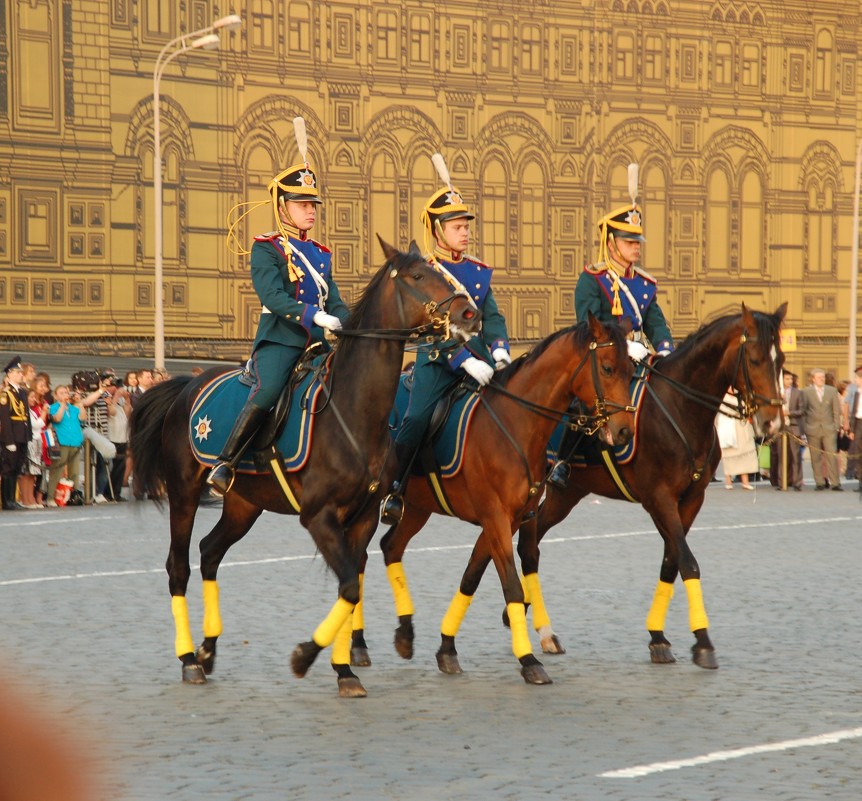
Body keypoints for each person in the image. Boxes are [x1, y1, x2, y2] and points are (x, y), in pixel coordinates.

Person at [207, 118, 350, 495]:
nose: (311, 210)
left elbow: (333, 297)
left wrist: (353, 325)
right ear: (282, 207)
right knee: (269, 390)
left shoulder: (320, 253)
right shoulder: (266, 247)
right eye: (303, 203)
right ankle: (226, 461)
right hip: (282, 340)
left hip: (320, 342)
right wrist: (313, 315)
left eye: (313, 203)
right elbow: (272, 297)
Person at [381, 153, 509, 525]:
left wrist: (499, 352)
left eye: (465, 224)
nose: (464, 231)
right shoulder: (426, 274)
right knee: (417, 418)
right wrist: (460, 359)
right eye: (456, 225)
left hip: (482, 359)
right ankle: (394, 488)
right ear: (437, 231)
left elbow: (494, 316)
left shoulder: (478, 271)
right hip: (437, 362)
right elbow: (425, 329)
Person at [549, 182, 673, 488]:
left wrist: (667, 351)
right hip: (602, 356)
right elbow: (587, 326)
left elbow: (655, 323)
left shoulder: (644, 284)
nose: (636, 246)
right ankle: (563, 461)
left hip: (638, 358)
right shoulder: (593, 279)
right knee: (582, 403)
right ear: (611, 242)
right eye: (629, 241)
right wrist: (625, 348)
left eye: (637, 241)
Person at [801, 368, 842, 491]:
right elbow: (804, 411)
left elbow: (836, 410)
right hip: (812, 428)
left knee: (831, 456)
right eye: (819, 377)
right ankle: (819, 482)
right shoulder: (806, 392)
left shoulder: (832, 391)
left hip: (829, 428)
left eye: (823, 377)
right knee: (815, 457)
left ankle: (835, 482)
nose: (822, 379)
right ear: (813, 379)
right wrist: (805, 427)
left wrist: (836, 426)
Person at [0, 358, 33, 510]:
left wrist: (28, 435)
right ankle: (7, 501)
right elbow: (5, 419)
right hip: (12, 436)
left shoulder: (22, 392)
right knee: (8, 468)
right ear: (10, 374)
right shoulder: (6, 394)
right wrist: (8, 441)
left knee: (16, 468)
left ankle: (13, 498)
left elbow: (26, 416)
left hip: (22, 435)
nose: (21, 375)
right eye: (18, 372)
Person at [46, 385, 87, 505]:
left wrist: (80, 404)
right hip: (62, 441)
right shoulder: (53, 407)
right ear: (56, 395)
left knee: (74, 471)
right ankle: (50, 497)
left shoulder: (74, 408)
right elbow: (57, 419)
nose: (65, 395)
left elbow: (83, 418)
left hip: (75, 441)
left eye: (66, 392)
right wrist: (63, 406)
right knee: (57, 470)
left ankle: (71, 495)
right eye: (62, 393)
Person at [716, 389, 757, 490]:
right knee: (728, 454)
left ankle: (745, 481)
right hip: (728, 425)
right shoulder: (722, 397)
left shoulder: (741, 397)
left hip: (741, 426)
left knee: (745, 453)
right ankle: (728, 480)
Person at [770, 371, 804, 490]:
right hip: (781, 427)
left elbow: (801, 410)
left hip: (794, 426)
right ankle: (782, 482)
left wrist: (789, 413)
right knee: (782, 456)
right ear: (781, 380)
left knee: (795, 455)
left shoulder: (798, 393)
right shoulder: (776, 392)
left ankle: (797, 482)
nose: (789, 381)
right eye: (787, 379)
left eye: (791, 379)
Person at [844, 366, 862, 485]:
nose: (855, 380)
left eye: (857, 378)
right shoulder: (856, 393)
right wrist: (851, 429)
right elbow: (854, 412)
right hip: (859, 423)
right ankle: (860, 480)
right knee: (858, 452)